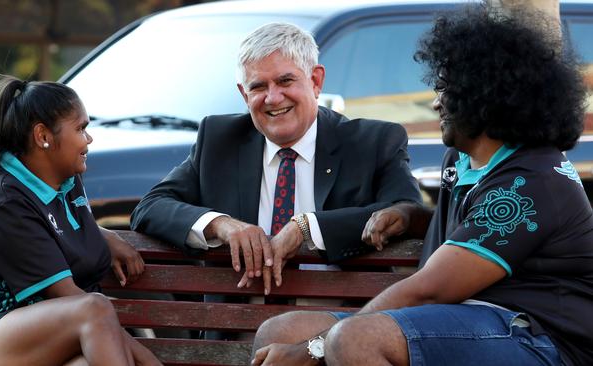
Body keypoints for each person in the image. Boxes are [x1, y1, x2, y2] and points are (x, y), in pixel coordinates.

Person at [250, 4, 592, 366]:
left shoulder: (530, 184)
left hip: (542, 339)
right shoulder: (462, 161)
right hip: (470, 320)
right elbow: (473, 241)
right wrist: (412, 217)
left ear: (485, 96)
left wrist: (312, 349)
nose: (434, 103)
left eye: (444, 89)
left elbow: (429, 290)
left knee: (356, 340)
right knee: (280, 332)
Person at [130, 22, 421, 292]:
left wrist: (306, 227)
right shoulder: (220, 140)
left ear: (316, 80)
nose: (273, 98)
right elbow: (150, 208)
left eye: (285, 81)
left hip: (336, 322)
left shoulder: (372, 143)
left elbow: (408, 212)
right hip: (238, 326)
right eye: (258, 87)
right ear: (244, 95)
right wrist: (223, 225)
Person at [0, 76, 163, 366]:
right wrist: (152, 362)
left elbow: (53, 222)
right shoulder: (5, 200)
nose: (89, 139)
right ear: (43, 136)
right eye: (81, 128)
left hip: (54, 333)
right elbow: (70, 300)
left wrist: (101, 234)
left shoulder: (66, 179)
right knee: (93, 307)